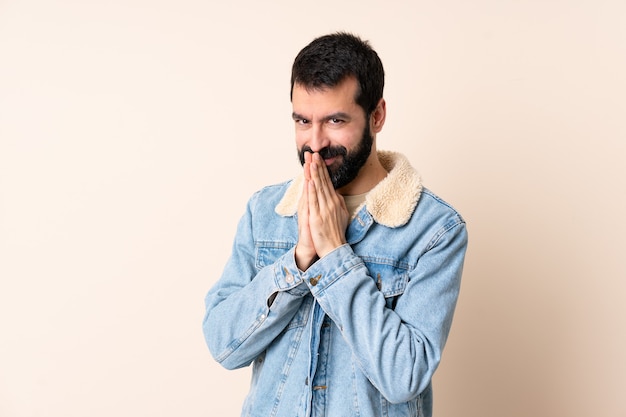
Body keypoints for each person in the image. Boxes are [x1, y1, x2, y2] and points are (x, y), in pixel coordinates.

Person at [202, 32, 468, 417]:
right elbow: (223, 345)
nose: (315, 142)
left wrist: (335, 258)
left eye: (335, 120)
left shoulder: (434, 230)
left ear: (377, 116)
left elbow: (404, 376)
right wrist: (298, 260)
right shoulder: (266, 212)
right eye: (302, 121)